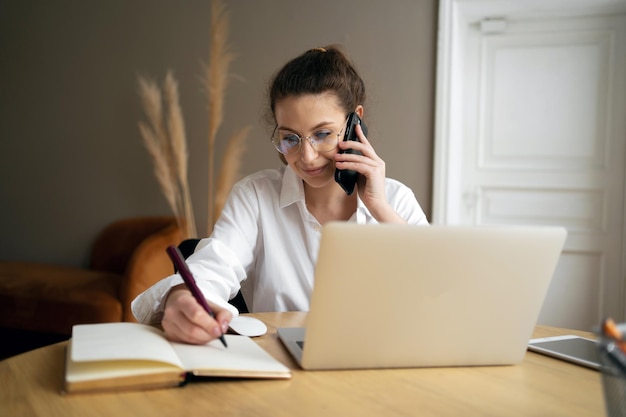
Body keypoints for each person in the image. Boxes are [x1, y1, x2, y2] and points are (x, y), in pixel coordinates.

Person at [131, 45, 429, 344]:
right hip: (281, 369)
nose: (307, 156)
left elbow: (435, 292)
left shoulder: (396, 199)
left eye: (323, 134)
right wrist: (182, 297)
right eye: (290, 139)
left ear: (355, 123)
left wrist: (379, 208)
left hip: (377, 365)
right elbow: (215, 266)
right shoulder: (256, 196)